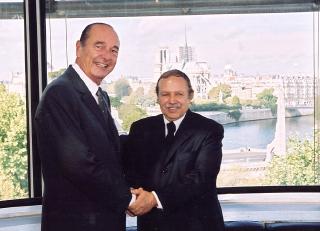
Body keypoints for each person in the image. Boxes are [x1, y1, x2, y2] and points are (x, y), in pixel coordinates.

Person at [34, 22, 134, 231]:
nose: (107, 56)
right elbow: (79, 165)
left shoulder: (101, 96)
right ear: (79, 48)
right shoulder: (59, 93)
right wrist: (129, 200)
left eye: (114, 50)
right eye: (99, 46)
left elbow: (111, 150)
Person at [124, 69, 225, 231]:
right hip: (152, 225)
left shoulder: (209, 130)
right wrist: (131, 198)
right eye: (165, 94)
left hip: (197, 225)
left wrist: (154, 199)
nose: (172, 100)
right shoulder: (140, 129)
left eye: (178, 94)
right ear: (157, 97)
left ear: (190, 97)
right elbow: (130, 173)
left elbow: (202, 178)